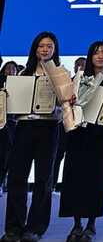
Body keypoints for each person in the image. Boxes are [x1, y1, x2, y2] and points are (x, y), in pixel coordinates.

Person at [2, 32, 62, 242]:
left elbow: (66, 103)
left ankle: (35, 228)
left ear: (55, 50)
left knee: (43, 179)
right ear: (35, 49)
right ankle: (13, 227)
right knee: (17, 177)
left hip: (48, 127)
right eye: (41, 45)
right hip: (24, 127)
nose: (45, 49)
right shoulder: (22, 74)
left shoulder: (60, 74)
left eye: (49, 46)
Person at [59, 42, 103, 242]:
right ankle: (76, 224)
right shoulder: (79, 78)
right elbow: (67, 104)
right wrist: (69, 102)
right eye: (96, 53)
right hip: (78, 134)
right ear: (90, 56)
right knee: (74, 176)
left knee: (95, 178)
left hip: (99, 134)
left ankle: (91, 224)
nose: (101, 56)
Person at [53, 57, 85, 192]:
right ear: (74, 67)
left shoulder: (90, 84)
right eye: (78, 65)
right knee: (57, 156)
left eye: (83, 65)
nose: (80, 67)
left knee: (78, 158)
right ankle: (52, 184)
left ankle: (76, 186)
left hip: (81, 126)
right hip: (64, 125)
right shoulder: (67, 83)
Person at [0, 60, 19, 196]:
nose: (11, 71)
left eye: (14, 69)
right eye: (8, 68)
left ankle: (1, 182)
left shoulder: (20, 85)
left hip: (11, 124)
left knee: (6, 155)